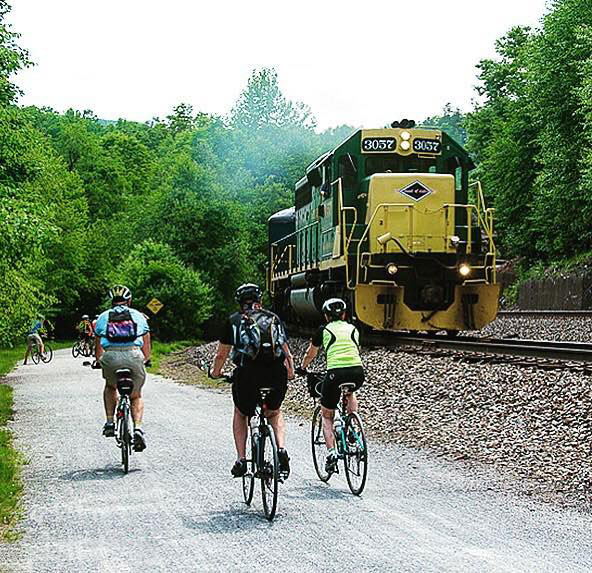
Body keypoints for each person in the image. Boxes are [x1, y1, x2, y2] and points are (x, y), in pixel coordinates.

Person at [210, 283, 295, 479]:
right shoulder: (274, 318)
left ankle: (241, 460)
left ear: (239, 302)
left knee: (241, 413)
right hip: (276, 373)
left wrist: (216, 373)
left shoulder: (234, 320)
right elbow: (286, 351)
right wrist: (289, 371)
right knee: (274, 413)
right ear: (260, 300)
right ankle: (281, 449)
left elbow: (221, 356)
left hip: (248, 374)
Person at [299, 298, 365, 474]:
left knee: (327, 415)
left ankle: (331, 454)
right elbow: (355, 349)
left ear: (326, 316)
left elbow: (311, 353)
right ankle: (353, 425)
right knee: (350, 393)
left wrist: (303, 368)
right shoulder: (353, 328)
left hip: (336, 373)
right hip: (357, 372)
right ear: (344, 314)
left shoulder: (323, 330)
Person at [94, 285, 151, 451]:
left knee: (110, 386)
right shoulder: (138, 316)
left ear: (111, 301)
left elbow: (98, 343)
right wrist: (146, 359)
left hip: (111, 356)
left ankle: (110, 422)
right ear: (129, 300)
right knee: (136, 395)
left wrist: (99, 360)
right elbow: (146, 340)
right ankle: (138, 428)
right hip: (133, 355)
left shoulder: (103, 317)